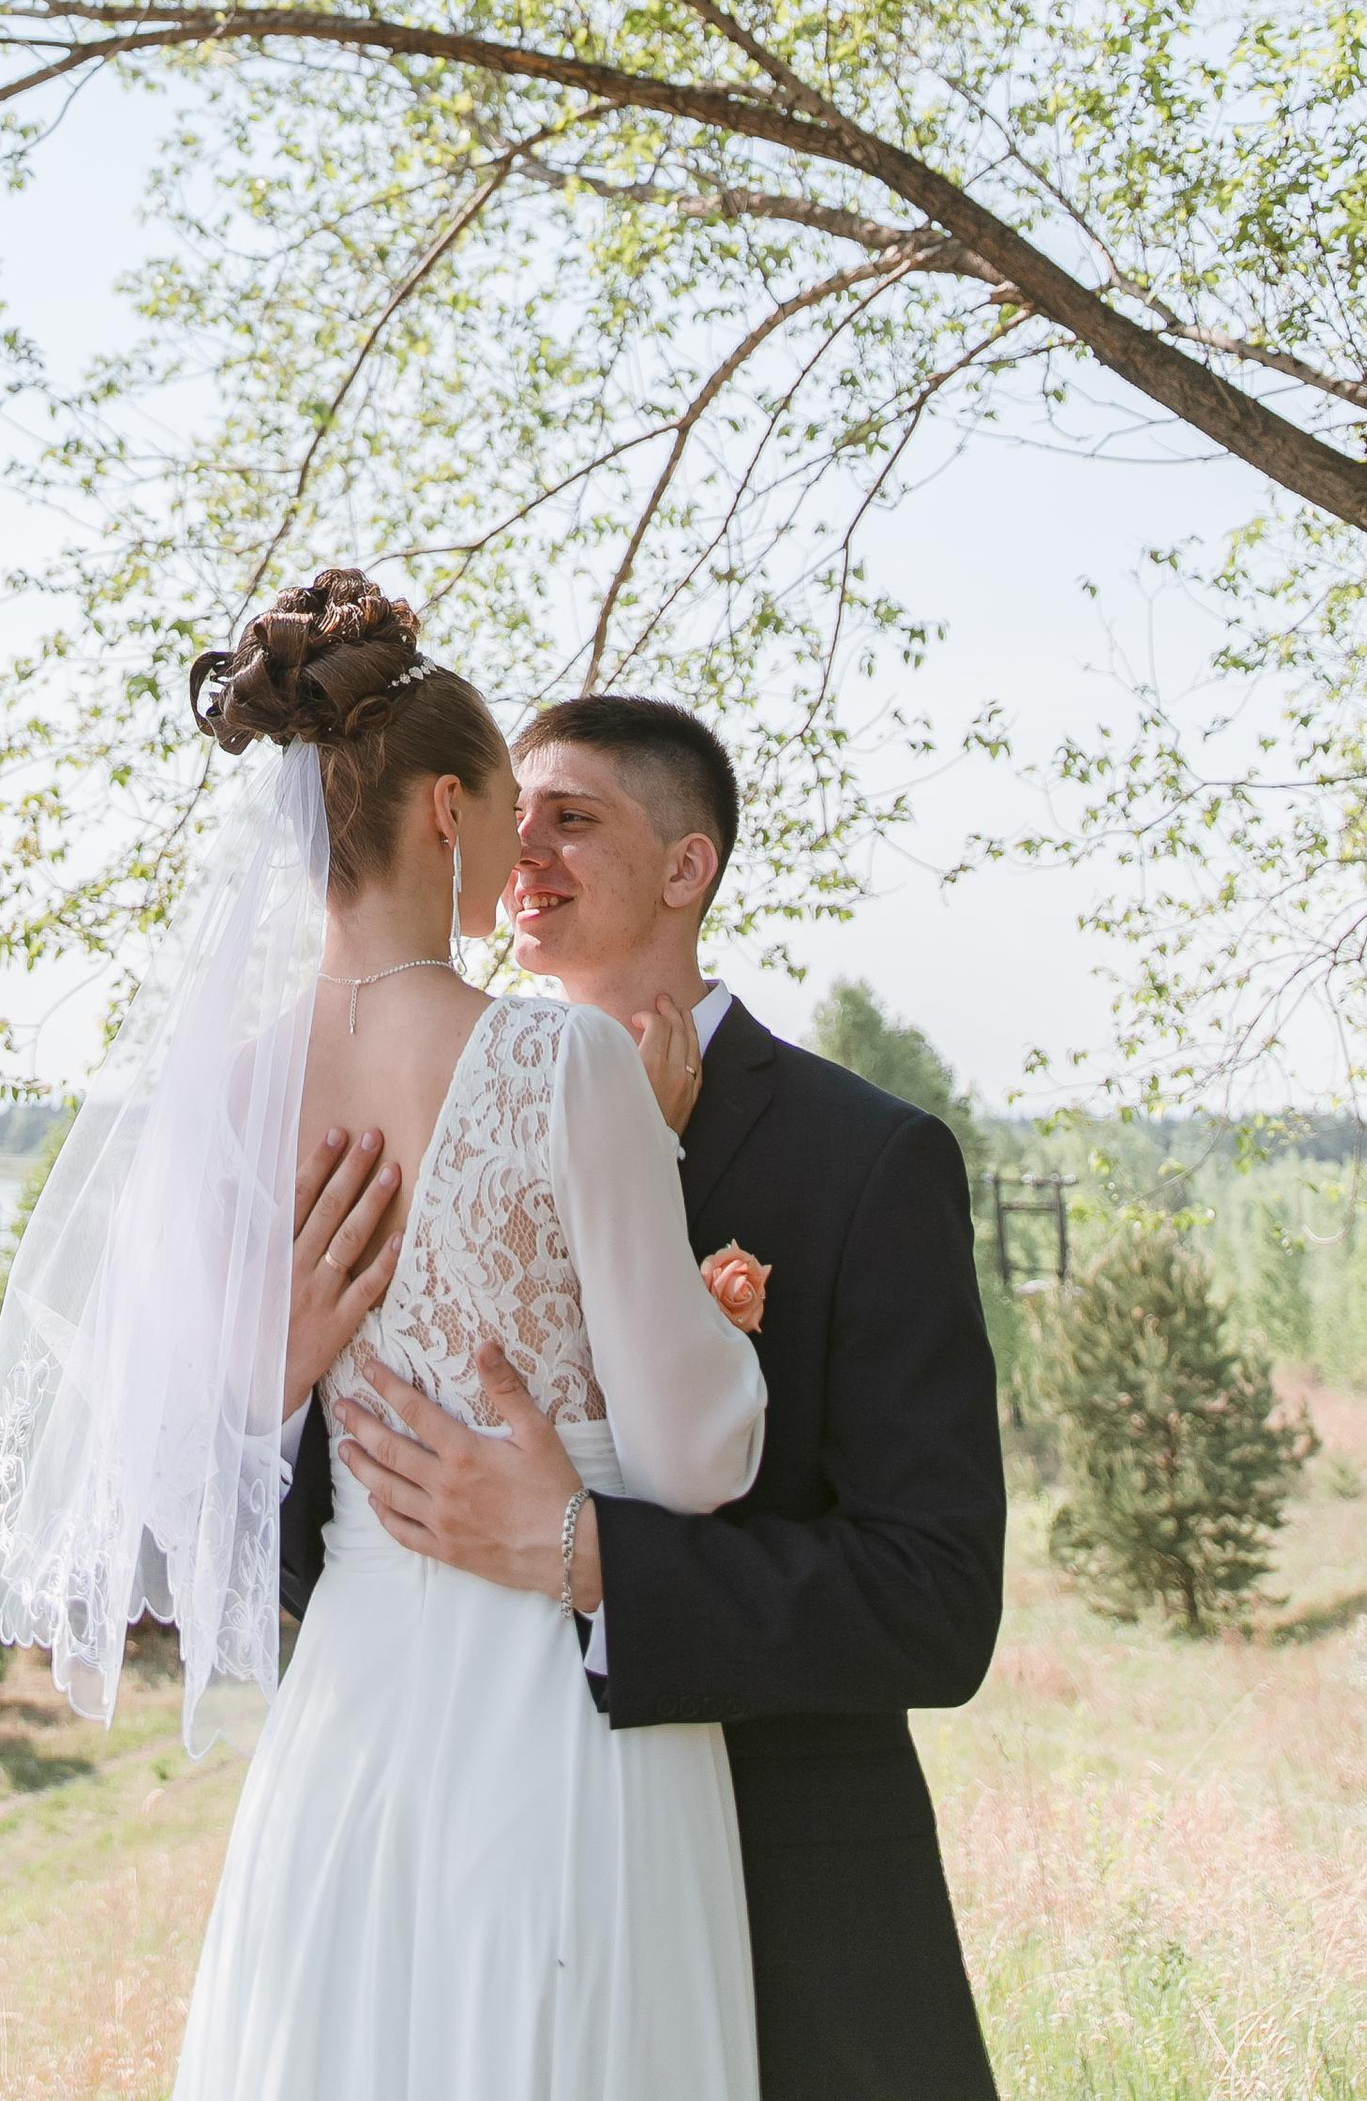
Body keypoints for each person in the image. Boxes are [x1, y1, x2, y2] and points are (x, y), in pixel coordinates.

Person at [0, 573, 768, 2101]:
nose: (527, 854)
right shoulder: (557, 1060)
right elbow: (695, 1454)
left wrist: (270, 1380)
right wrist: (704, 1289)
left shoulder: (229, 1098)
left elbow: (181, 1458)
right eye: (514, 818)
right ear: (449, 812)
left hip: (352, 1711)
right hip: (557, 1711)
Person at [321, 693, 1006, 2101]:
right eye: (519, 813)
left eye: (574, 819)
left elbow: (934, 1602)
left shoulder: (867, 1162)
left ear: (687, 869)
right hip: (475, 1889)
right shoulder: (409, 1128)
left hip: (790, 1915)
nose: (526, 847)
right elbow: (319, 1518)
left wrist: (586, 1555)